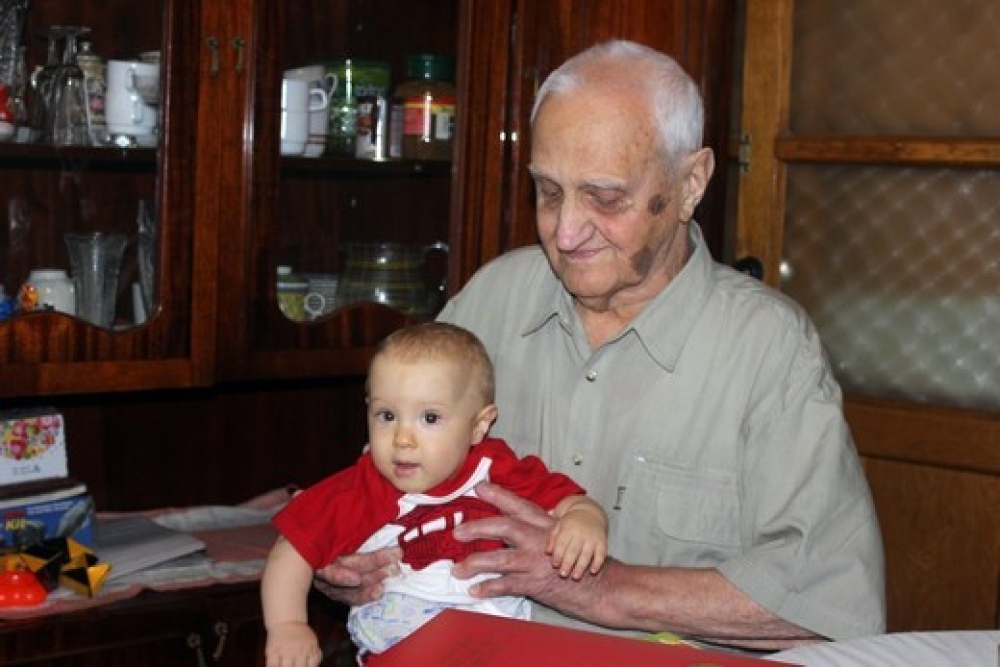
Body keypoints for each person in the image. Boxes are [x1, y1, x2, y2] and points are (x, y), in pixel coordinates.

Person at [318, 39, 886, 651]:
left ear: (691, 183)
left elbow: (830, 603)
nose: (565, 232)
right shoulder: (493, 300)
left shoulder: (766, 347)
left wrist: (600, 588)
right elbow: (377, 489)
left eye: (606, 198)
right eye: (548, 192)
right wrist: (353, 560)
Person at [262, 322, 608, 665]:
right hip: (401, 640)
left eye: (429, 418)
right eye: (386, 415)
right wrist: (288, 625)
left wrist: (584, 517)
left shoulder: (495, 467)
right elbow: (291, 550)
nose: (402, 438)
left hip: (500, 636)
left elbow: (567, 499)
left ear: (479, 426)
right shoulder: (362, 487)